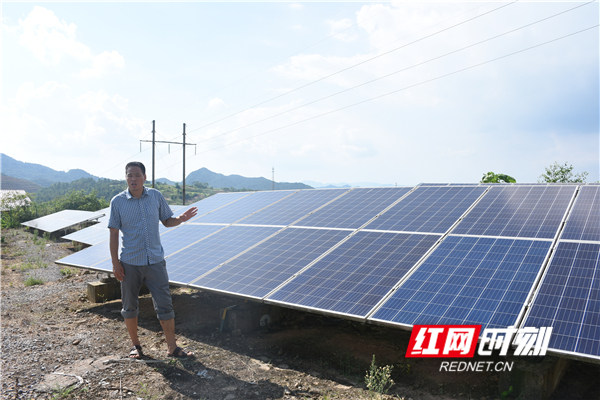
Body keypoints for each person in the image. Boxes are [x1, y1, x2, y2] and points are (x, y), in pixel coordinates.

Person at [108, 161, 198, 359]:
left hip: (156, 261)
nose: (133, 179)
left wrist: (180, 219)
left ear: (144, 177)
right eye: (129, 175)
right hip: (130, 262)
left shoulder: (155, 196)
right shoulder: (117, 202)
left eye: (137, 175)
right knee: (129, 306)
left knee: (165, 305)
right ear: (126, 178)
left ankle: (172, 348)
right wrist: (115, 263)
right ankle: (136, 347)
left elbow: (167, 221)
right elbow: (113, 233)